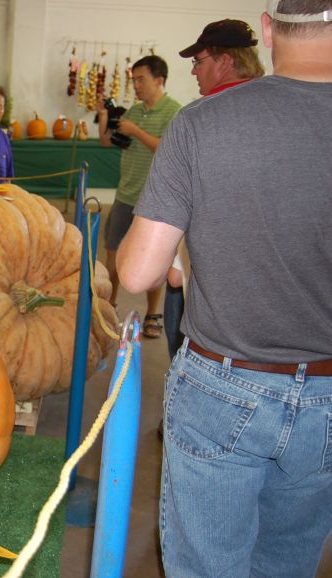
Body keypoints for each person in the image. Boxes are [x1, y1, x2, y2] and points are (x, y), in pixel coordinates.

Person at [117, 2, 332, 576]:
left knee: (208, 563)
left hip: (225, 384)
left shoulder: (199, 123)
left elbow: (137, 274)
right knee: (289, 561)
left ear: (266, 29)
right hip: (328, 394)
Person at [162, 19, 266, 359]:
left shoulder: (196, 120)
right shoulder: (278, 108)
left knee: (183, 349)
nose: (193, 72)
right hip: (269, 298)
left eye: (198, 62)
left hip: (209, 293)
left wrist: (173, 261)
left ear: (225, 61)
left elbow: (140, 272)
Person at [95, 54, 181, 338]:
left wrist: (136, 131)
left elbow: (167, 150)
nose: (137, 86)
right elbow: (107, 142)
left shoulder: (174, 113)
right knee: (114, 257)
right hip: (126, 193)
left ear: (160, 80)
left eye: (141, 80)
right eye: (134, 81)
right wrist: (105, 116)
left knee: (155, 260)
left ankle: (152, 315)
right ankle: (109, 308)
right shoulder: (133, 111)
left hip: (155, 200)